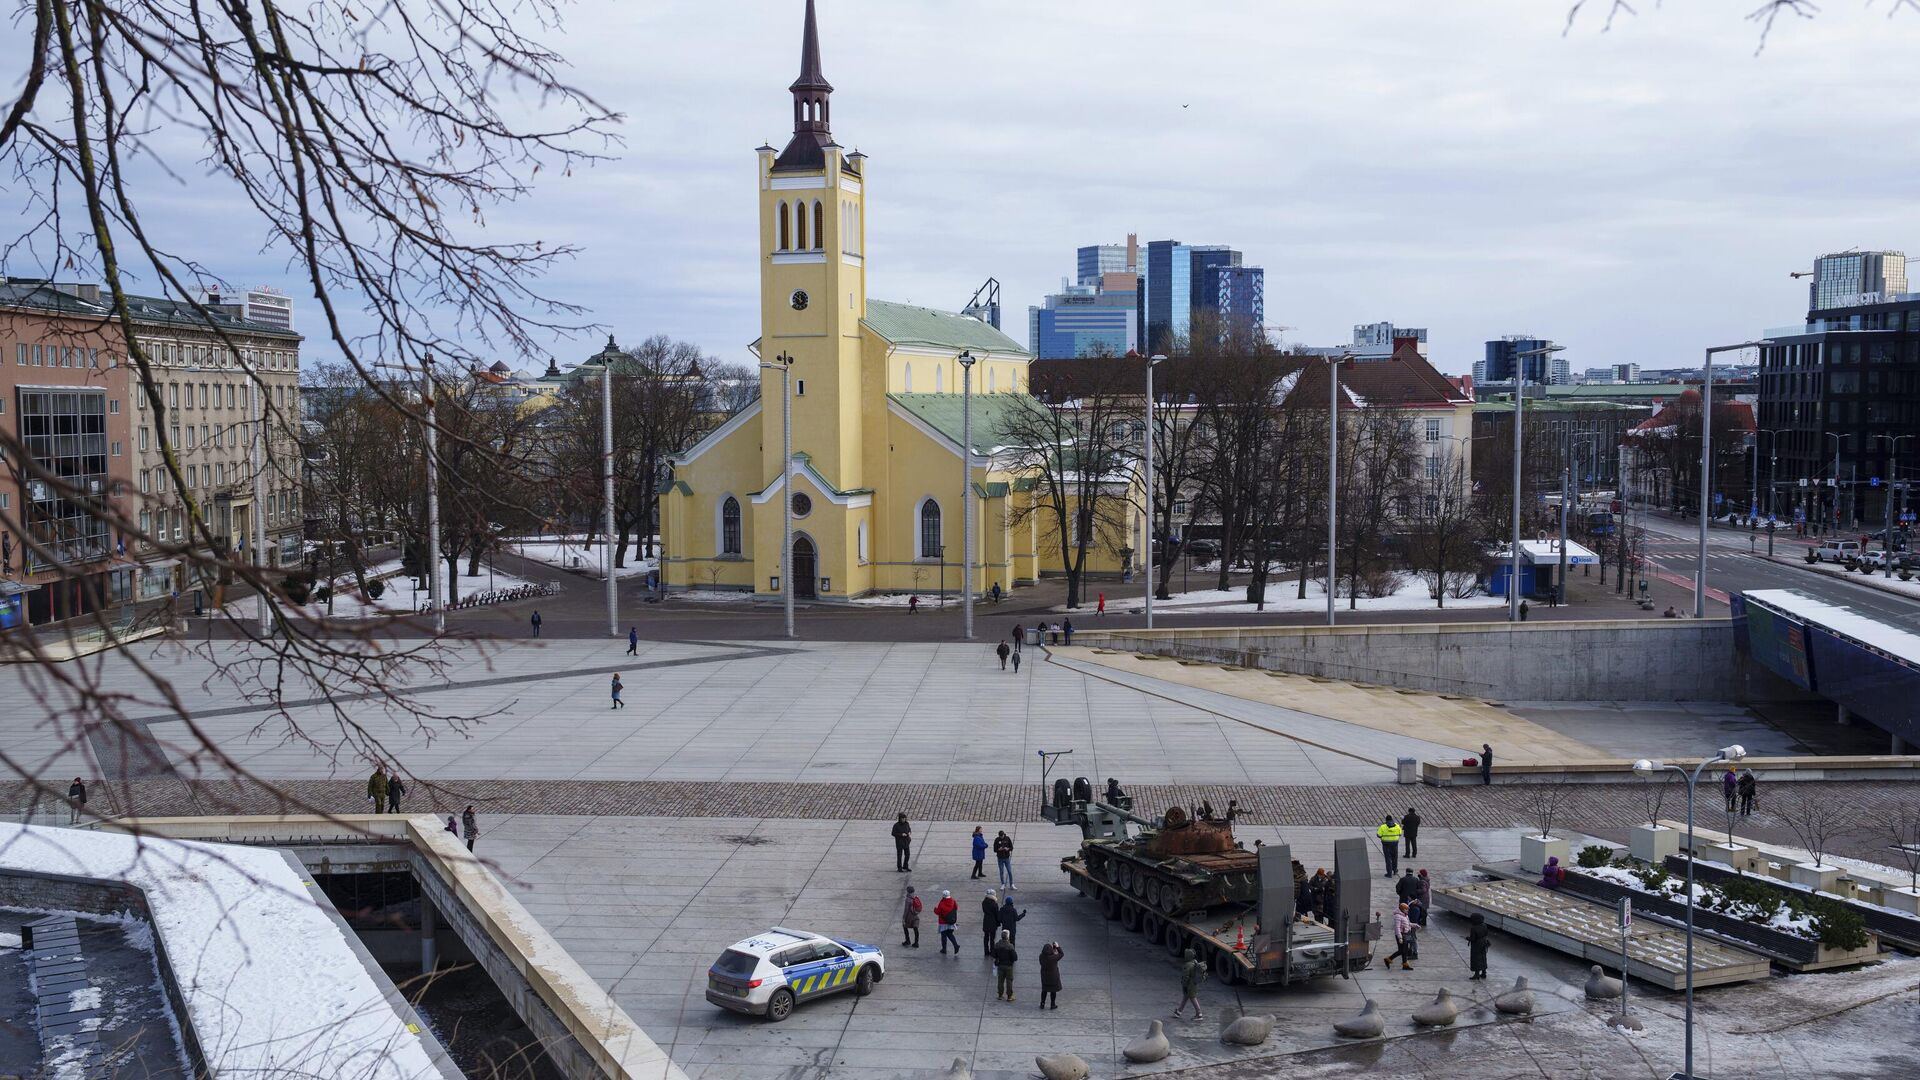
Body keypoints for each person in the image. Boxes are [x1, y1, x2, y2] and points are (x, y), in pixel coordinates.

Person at [1173, 947, 1206, 1020]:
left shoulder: (1187, 965)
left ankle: (1199, 1014)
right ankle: (1179, 1012)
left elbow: (1185, 977)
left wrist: (1184, 985)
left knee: (1192, 998)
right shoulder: (1195, 962)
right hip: (1193, 984)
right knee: (1186, 997)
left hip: (1189, 985)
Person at [1382, 903, 1415, 970]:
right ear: (1402, 909)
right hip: (1401, 935)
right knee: (1402, 950)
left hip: (1405, 934)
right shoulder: (1398, 916)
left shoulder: (1405, 915)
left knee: (1404, 950)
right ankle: (1388, 959)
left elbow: (1407, 924)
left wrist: (1414, 925)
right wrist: (1400, 937)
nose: (1407, 911)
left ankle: (1405, 964)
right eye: (1406, 909)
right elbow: (1397, 927)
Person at [992, 930, 1019, 1002]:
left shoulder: (997, 945)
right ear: (1008, 937)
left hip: (1000, 965)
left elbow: (993, 955)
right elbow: (1015, 958)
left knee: (1000, 980)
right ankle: (1009, 996)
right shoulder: (1010, 946)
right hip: (1008, 966)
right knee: (1009, 981)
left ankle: (1000, 995)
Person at [1038, 941, 1064, 1009]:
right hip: (1053, 977)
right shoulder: (1053, 958)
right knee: (1053, 991)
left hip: (1044, 977)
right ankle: (1052, 1004)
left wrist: (1053, 952)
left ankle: (1042, 1003)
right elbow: (1061, 954)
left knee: (1044, 990)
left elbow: (1050, 956)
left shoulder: (1041, 956)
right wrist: (1057, 947)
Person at [1467, 912, 1491, 980]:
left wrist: (1467, 938)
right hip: (1484, 943)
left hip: (1476, 945)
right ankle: (1484, 973)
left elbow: (1473, 939)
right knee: (1483, 958)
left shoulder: (1473, 928)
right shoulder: (1484, 925)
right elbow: (1486, 933)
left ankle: (1476, 974)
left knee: (1476, 959)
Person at [934, 890, 959, 954]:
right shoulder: (953, 901)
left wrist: (935, 909)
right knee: (950, 934)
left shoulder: (942, 903)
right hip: (951, 921)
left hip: (943, 922)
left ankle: (944, 949)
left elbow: (938, 912)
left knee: (943, 936)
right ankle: (955, 945)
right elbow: (956, 907)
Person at [981, 889, 1002, 957]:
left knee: (986, 937)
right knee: (992, 938)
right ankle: (992, 951)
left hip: (986, 921)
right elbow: (997, 914)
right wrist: (998, 922)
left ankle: (986, 951)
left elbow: (984, 911)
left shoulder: (984, 902)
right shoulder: (994, 904)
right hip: (993, 922)